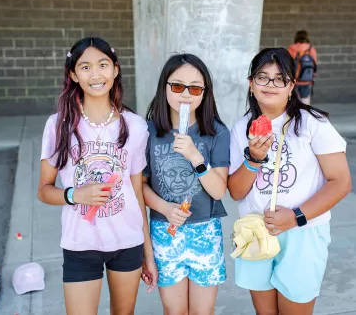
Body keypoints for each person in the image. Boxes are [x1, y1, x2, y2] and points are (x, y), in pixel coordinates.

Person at [37, 37, 157, 315]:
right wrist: (74, 194)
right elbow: (43, 190)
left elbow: (137, 193)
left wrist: (147, 255)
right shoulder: (59, 126)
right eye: (85, 67)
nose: (96, 74)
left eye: (103, 65)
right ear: (73, 75)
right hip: (81, 244)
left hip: (127, 242)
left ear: (115, 70)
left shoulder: (136, 126)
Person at [228, 47, 351, 315]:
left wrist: (295, 217)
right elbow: (236, 191)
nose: (270, 84)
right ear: (251, 84)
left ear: (291, 86)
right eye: (262, 77)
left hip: (303, 234)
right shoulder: (241, 128)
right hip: (255, 231)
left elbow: (340, 181)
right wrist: (253, 158)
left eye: (279, 78)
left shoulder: (312, 123)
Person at [142, 53, 230, 315]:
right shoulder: (148, 133)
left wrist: (195, 156)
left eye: (195, 88)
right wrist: (165, 208)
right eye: (177, 86)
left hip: (206, 231)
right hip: (164, 231)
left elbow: (218, 189)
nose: (186, 94)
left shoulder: (216, 132)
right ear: (164, 87)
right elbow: (141, 187)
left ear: (204, 93)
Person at [288, 30, 318, 105]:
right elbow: (314, 64)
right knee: (305, 98)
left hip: (293, 79)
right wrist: (313, 75)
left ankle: (296, 115)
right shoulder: (311, 49)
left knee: (294, 98)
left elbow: (287, 63)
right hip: (307, 79)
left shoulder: (291, 48)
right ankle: (306, 114)